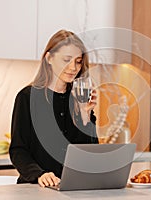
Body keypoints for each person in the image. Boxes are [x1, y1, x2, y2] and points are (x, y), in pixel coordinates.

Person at [9, 29, 98, 188]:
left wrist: (86, 118)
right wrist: (39, 174)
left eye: (78, 61)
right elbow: (18, 150)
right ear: (49, 58)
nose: (73, 67)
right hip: (36, 189)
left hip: (72, 189)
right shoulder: (27, 97)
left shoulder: (79, 99)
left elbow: (90, 156)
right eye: (66, 59)